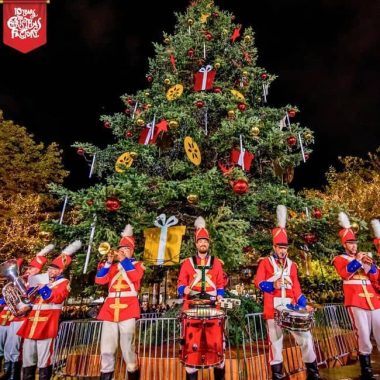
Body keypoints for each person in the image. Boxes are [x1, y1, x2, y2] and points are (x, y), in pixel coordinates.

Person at [254, 205, 321, 380]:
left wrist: (304, 304)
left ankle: (313, 374)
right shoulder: (265, 263)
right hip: (273, 308)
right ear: (274, 247)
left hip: (291, 307)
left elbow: (296, 288)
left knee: (305, 338)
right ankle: (277, 376)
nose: (283, 250)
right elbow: (258, 283)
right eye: (279, 247)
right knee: (275, 345)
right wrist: (273, 284)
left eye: (285, 247)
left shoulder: (293, 265)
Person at [17, 240, 81, 380]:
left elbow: (56, 298)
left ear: (60, 270)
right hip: (32, 321)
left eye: (53, 269)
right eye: (49, 268)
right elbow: (30, 298)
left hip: (47, 322)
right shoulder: (44, 280)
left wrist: (44, 288)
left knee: (44, 358)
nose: (50, 271)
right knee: (27, 357)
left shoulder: (64, 283)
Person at [177, 216, 226, 380]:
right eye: (200, 241)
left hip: (213, 308)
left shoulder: (217, 263)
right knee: (192, 348)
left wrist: (220, 296)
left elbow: (220, 284)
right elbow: (180, 285)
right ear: (196, 244)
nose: (203, 244)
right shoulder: (187, 263)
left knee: (217, 346)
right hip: (192, 308)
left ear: (208, 244)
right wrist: (185, 289)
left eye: (205, 241)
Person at [333, 213, 380, 380]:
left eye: (355, 243)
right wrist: (358, 262)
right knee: (364, 335)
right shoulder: (339, 259)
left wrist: (371, 266)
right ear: (344, 245)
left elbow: (376, 279)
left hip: (374, 301)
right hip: (356, 301)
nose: (353, 246)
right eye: (350, 244)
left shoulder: (364, 257)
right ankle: (366, 371)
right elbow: (345, 274)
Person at [95, 224, 145, 380]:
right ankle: (106, 374)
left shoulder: (137, 265)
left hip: (128, 308)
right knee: (106, 348)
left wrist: (124, 260)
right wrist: (109, 262)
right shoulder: (112, 266)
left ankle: (132, 371)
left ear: (132, 252)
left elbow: (135, 277)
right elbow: (99, 280)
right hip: (110, 309)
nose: (122, 251)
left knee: (127, 348)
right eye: (120, 249)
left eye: (126, 249)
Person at [1, 244, 54, 380]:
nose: (28, 270)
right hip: (13, 318)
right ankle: (8, 374)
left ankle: (13, 376)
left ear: (38, 269)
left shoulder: (40, 280)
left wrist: (27, 305)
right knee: (8, 349)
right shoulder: (24, 281)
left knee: (16, 350)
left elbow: (36, 299)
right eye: (28, 268)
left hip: (25, 319)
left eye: (31, 268)